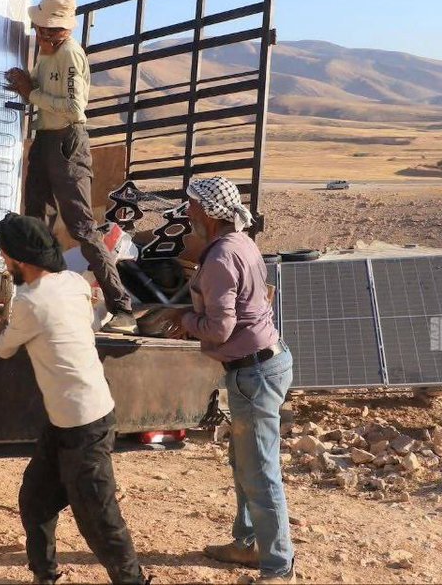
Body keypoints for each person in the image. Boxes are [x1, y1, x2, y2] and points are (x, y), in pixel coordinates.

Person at [0, 213, 148, 585]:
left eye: (4, 257)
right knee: (36, 499)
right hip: (72, 419)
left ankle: (133, 581)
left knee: (98, 519)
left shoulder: (30, 302)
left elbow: (4, 349)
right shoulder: (73, 282)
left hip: (83, 424)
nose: (5, 264)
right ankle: (45, 575)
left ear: (18, 259)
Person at [169, 177, 296, 584]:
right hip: (261, 365)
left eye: (191, 206)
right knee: (245, 463)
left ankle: (279, 568)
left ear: (207, 212)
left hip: (253, 372)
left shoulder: (221, 257)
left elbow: (219, 328)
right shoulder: (241, 243)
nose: (187, 213)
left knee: (259, 471)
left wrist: (182, 321)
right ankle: (246, 545)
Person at [5, 0, 134, 330]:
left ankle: (122, 308)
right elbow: (47, 90)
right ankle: (35, 304)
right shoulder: (47, 54)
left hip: (67, 142)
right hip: (46, 139)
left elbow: (75, 108)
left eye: (49, 29)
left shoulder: (71, 55)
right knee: (34, 222)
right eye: (40, 28)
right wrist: (28, 83)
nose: (42, 34)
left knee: (81, 227)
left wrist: (29, 93)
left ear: (64, 30)